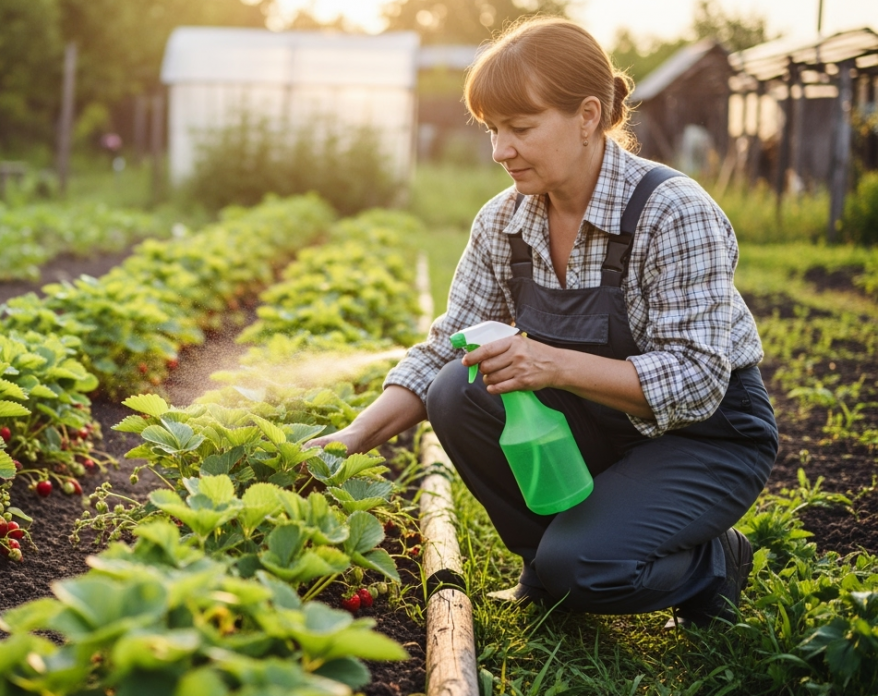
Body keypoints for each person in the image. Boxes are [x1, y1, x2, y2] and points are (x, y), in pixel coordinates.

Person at [311, 17, 778, 628]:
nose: (501, 150)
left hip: (703, 440)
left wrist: (550, 362)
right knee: (458, 386)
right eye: (493, 130)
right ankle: (547, 563)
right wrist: (352, 439)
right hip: (603, 426)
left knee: (586, 568)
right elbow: (441, 351)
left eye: (521, 128)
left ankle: (715, 562)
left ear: (588, 116)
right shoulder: (503, 221)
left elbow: (695, 381)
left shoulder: (672, 212)